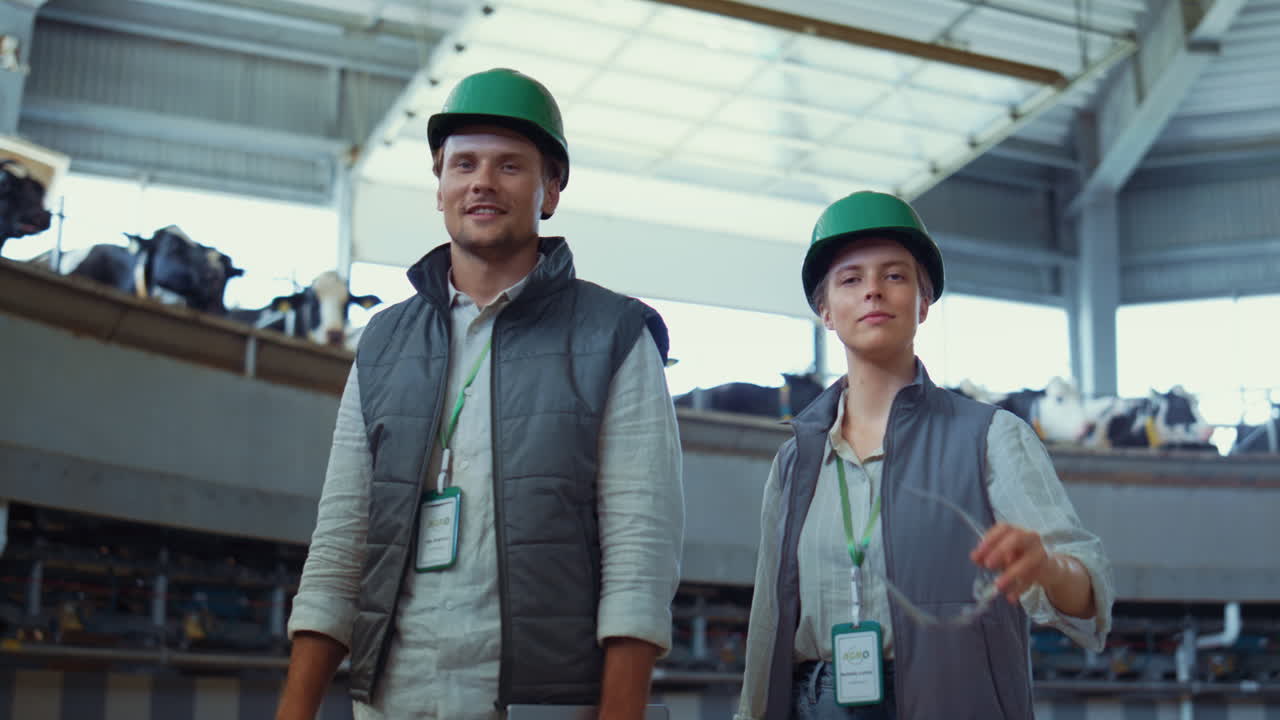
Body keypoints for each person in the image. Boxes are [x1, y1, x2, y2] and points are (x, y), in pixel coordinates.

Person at [276, 68, 685, 720]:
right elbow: (341, 538)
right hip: (391, 701)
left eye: (510, 166)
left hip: (544, 707)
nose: (482, 183)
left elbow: (640, 554)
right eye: (463, 164)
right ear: (439, 186)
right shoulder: (383, 342)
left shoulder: (616, 336)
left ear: (552, 189)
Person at [735, 191, 1114, 719]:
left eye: (894, 276)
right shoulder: (795, 461)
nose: (873, 290)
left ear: (923, 303)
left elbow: (1090, 596)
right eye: (850, 280)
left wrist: (1047, 568)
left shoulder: (993, 438)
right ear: (825, 311)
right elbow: (769, 619)